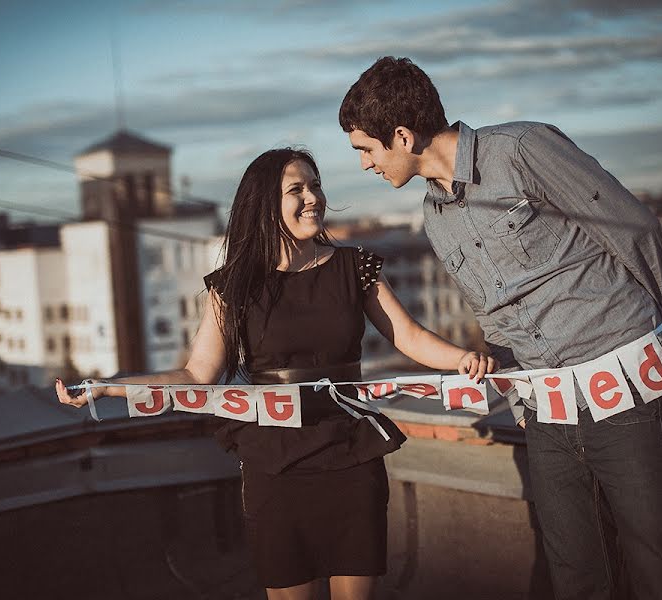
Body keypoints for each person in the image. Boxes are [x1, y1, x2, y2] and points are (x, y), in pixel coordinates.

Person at [56, 148, 498, 600]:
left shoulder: (355, 266)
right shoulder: (232, 287)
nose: (313, 198)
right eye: (296, 190)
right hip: (275, 461)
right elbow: (196, 375)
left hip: (351, 452)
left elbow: (408, 336)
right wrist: (107, 388)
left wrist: (461, 359)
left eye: (316, 185)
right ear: (265, 205)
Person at [338, 57, 662, 600]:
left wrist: (652, 340)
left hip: (625, 389)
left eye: (366, 149)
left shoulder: (523, 150)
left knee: (661, 564)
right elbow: (495, 317)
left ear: (402, 135)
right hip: (545, 408)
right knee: (578, 574)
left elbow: (635, 229)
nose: (366, 164)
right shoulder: (434, 216)